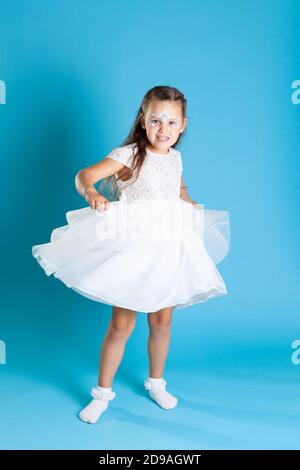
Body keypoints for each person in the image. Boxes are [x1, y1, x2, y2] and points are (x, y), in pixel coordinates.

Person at [32, 85, 230, 424]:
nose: (163, 129)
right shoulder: (129, 154)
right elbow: (85, 176)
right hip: (135, 246)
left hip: (169, 244)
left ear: (182, 125)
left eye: (171, 122)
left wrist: (187, 201)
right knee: (122, 324)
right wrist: (91, 193)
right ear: (143, 120)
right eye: (155, 120)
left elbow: (177, 187)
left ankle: (156, 383)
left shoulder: (176, 157)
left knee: (162, 320)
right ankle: (102, 394)